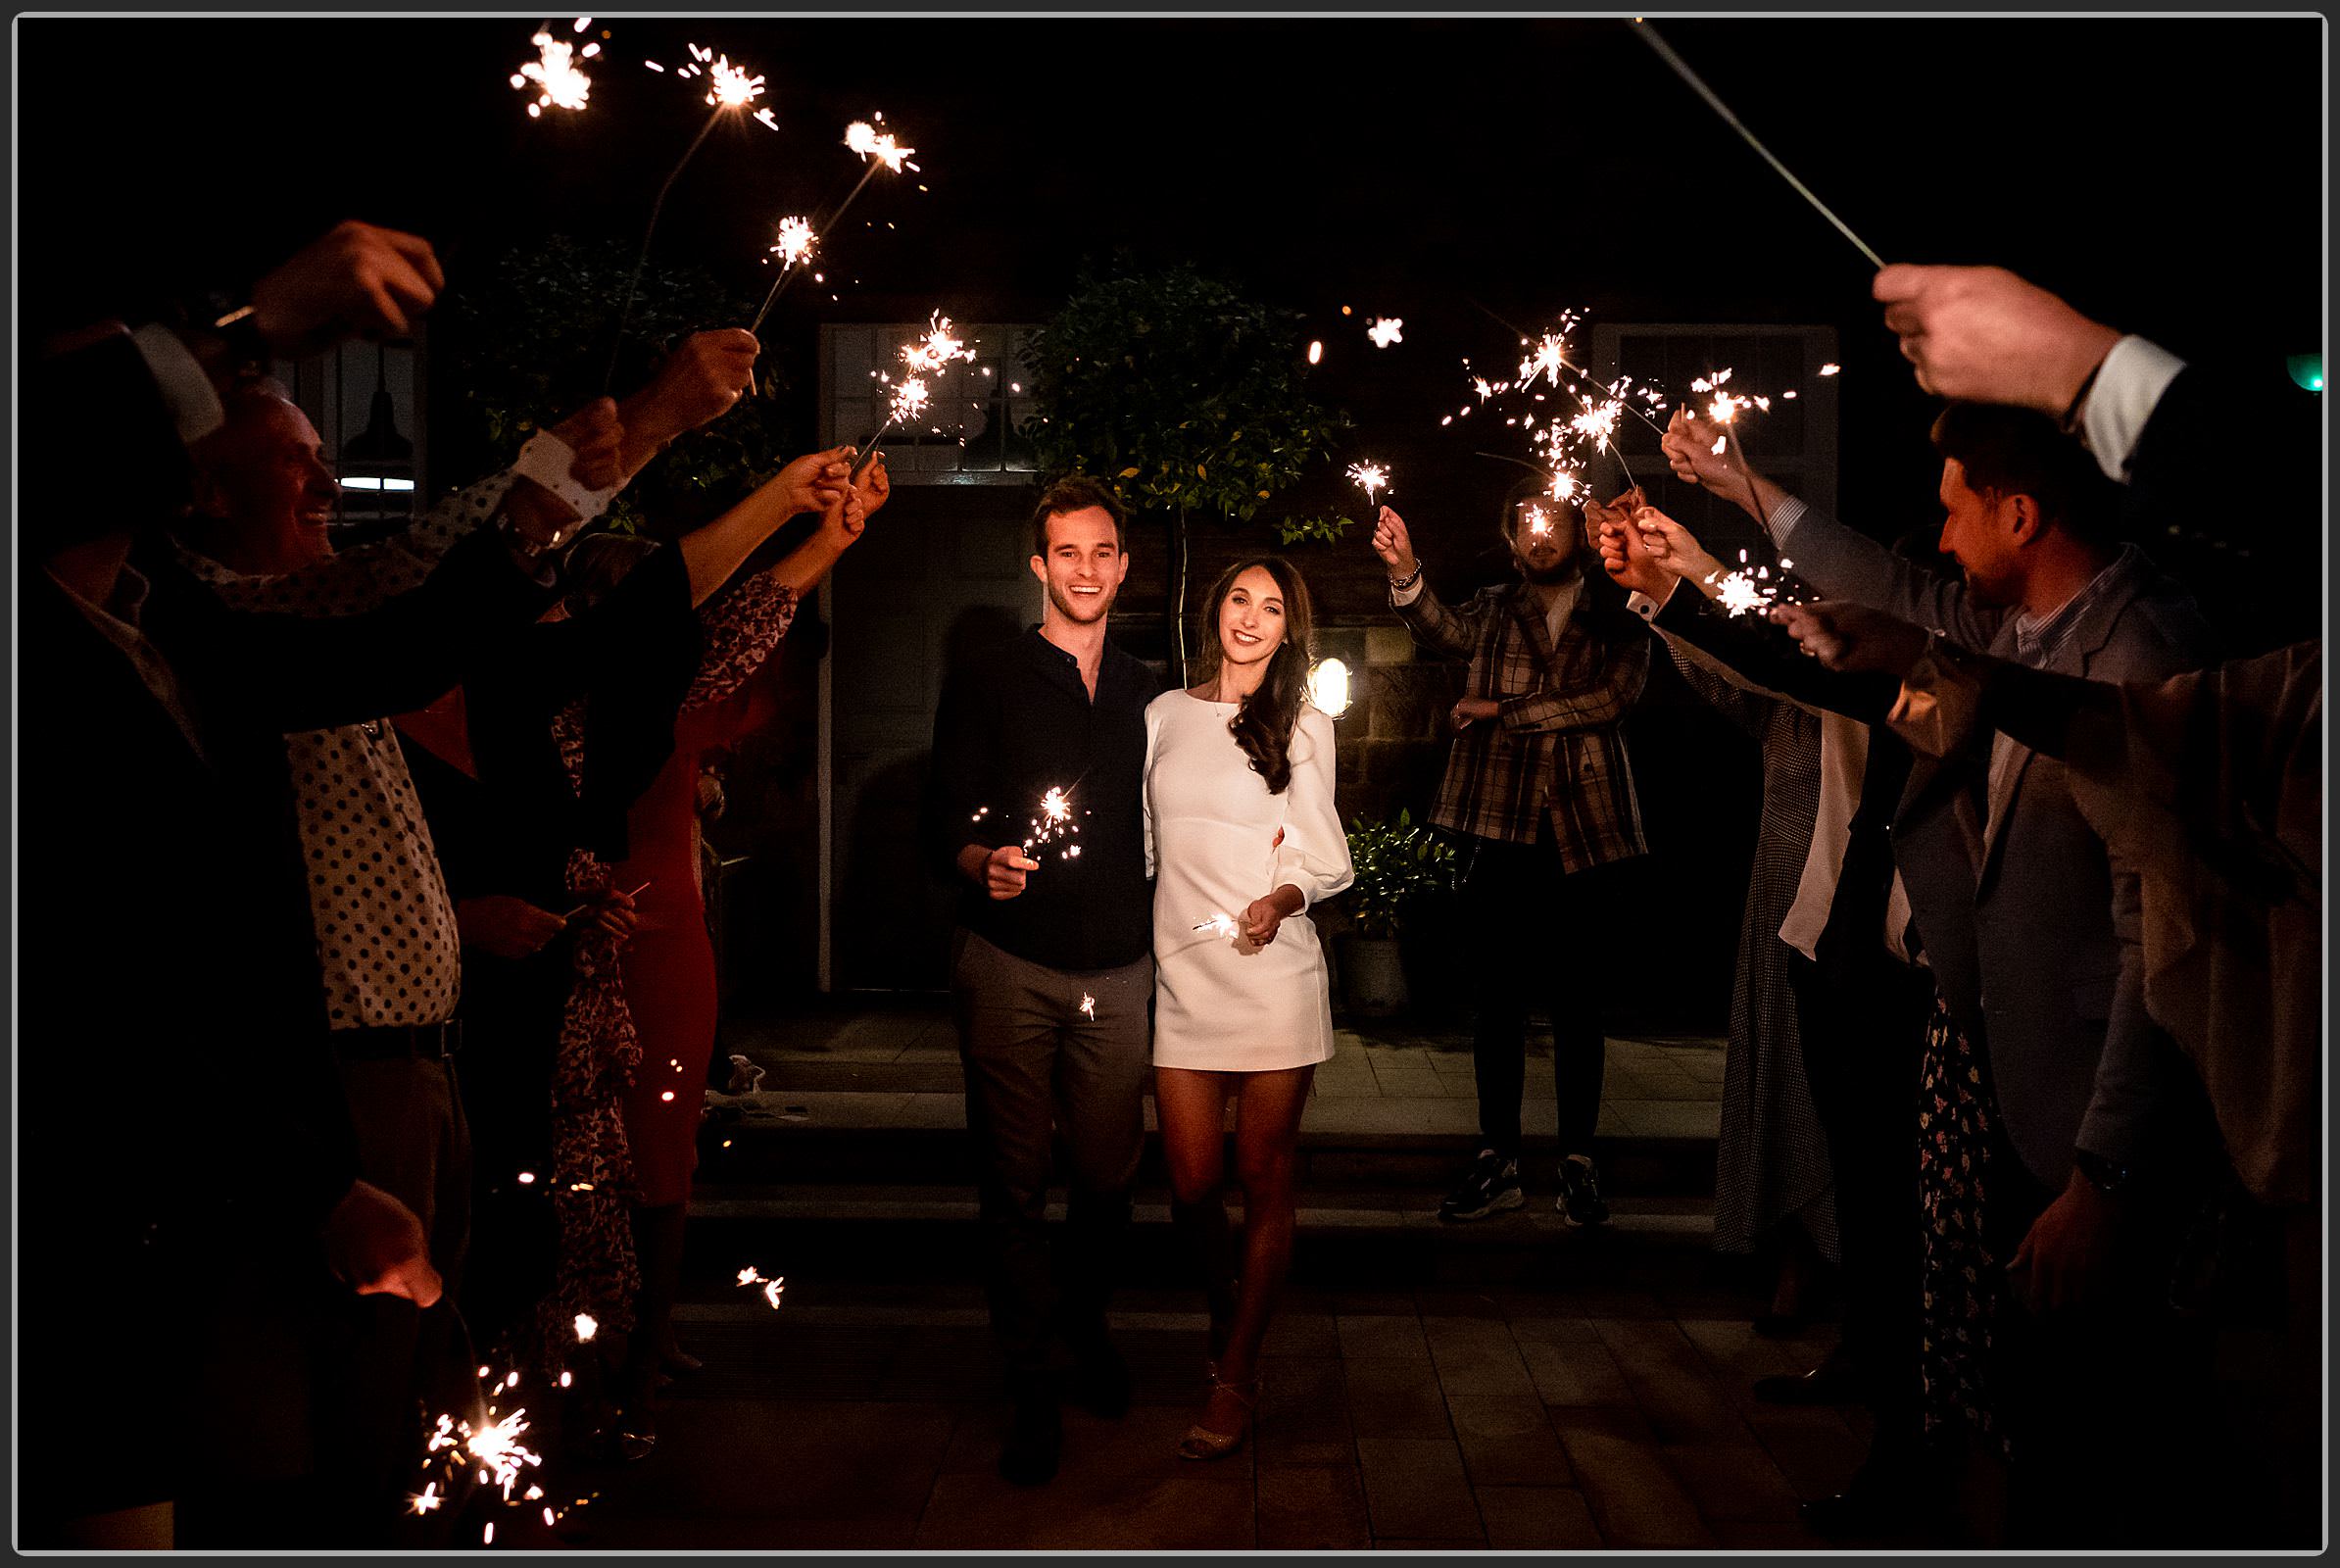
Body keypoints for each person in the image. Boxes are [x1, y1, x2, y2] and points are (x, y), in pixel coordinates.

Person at [20, 220, 557, 1548]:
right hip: (78, 1228)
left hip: (179, 1210)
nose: (319, 482)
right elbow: (85, 984)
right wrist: (254, 329)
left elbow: (372, 641)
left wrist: (558, 491)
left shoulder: (164, 623)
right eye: (133, 384)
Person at [169, 331, 756, 1542]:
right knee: (328, 1425)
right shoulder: (247, 637)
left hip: (427, 1062)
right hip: (340, 1077)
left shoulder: (327, 635)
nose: (332, 491)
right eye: (295, 466)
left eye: (328, 461)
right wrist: (635, 433)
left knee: (410, 1400)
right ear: (201, 496)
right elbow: (423, 601)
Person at [1661, 393, 2219, 1546]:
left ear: (2021, 514)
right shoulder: (2011, 628)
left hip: (2082, 1124)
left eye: (1955, 509)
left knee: (2096, 1437)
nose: (1939, 537)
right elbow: (1886, 590)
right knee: (1997, 1398)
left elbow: (2156, 946)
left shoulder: (2136, 657)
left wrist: (2103, 1173)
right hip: (1999, 1076)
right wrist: (1741, 488)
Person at [608, 451, 893, 1451]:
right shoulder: (575, 702)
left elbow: (743, 643)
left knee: (669, 1140)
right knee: (604, 1152)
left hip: (674, 939)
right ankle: (615, 1361)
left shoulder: (669, 699)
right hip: (585, 942)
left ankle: (656, 1329)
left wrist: (826, 541)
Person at [921, 476, 1165, 1486]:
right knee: (1014, 1184)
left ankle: (1083, 1324)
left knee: (1107, 1177)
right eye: (1069, 553)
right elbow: (944, 819)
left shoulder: (1157, 691)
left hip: (1121, 967)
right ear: (1040, 566)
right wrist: (987, 862)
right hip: (1012, 966)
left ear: (1122, 563)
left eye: (1103, 551)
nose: (1088, 570)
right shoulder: (989, 676)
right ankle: (1030, 1379)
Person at [1370, 494, 1649, 1226]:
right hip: (1499, 827)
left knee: (1579, 1002)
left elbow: (1612, 698)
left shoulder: (1619, 611)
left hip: (1586, 828)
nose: (1541, 534)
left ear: (1580, 535)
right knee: (1496, 1001)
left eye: (1555, 522)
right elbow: (1444, 630)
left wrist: (1505, 711)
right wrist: (1406, 572)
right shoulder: (1495, 607)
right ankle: (1498, 1159)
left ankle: (1579, 1163)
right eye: (1528, 524)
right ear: (1510, 536)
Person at [1146, 558, 1354, 1460]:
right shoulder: (1160, 715)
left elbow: (1329, 858)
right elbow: (1150, 848)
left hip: (1273, 978)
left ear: (1288, 630)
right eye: (1240, 599)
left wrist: (1281, 901)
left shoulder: (1303, 725)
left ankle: (1235, 1370)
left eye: (1273, 608)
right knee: (1191, 1182)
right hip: (1185, 975)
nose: (1252, 618)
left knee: (1264, 1176)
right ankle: (1231, 1312)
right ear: (1215, 610)